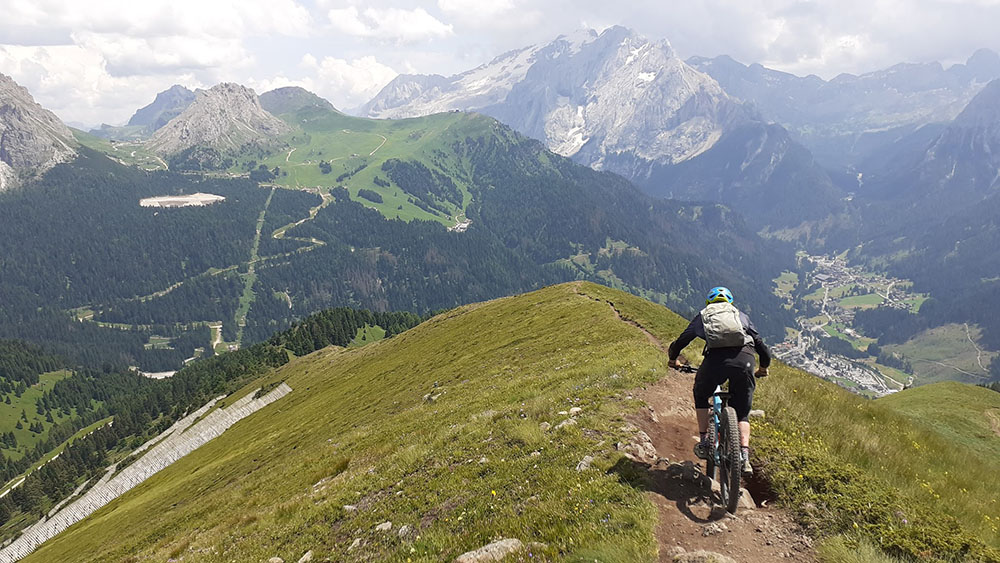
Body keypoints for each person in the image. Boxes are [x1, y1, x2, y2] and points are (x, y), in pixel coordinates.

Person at [666, 286, 770, 475]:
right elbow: (760, 345)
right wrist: (763, 368)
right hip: (745, 361)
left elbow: (682, 341)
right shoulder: (740, 315)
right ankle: (744, 457)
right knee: (743, 413)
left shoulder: (703, 315)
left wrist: (673, 360)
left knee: (700, 393)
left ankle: (705, 441)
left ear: (709, 302)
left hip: (715, 362)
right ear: (729, 302)